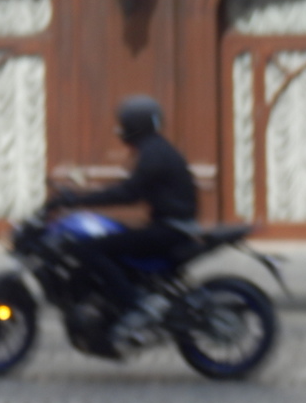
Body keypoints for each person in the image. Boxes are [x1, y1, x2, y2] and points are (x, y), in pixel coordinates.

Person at [46, 94, 198, 341]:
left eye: (124, 125)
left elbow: (128, 193)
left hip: (169, 230)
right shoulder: (155, 149)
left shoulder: (153, 153)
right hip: (169, 226)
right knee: (112, 238)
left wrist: (78, 199)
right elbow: (129, 190)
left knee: (88, 248)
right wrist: (83, 197)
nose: (120, 131)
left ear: (135, 125)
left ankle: (133, 304)